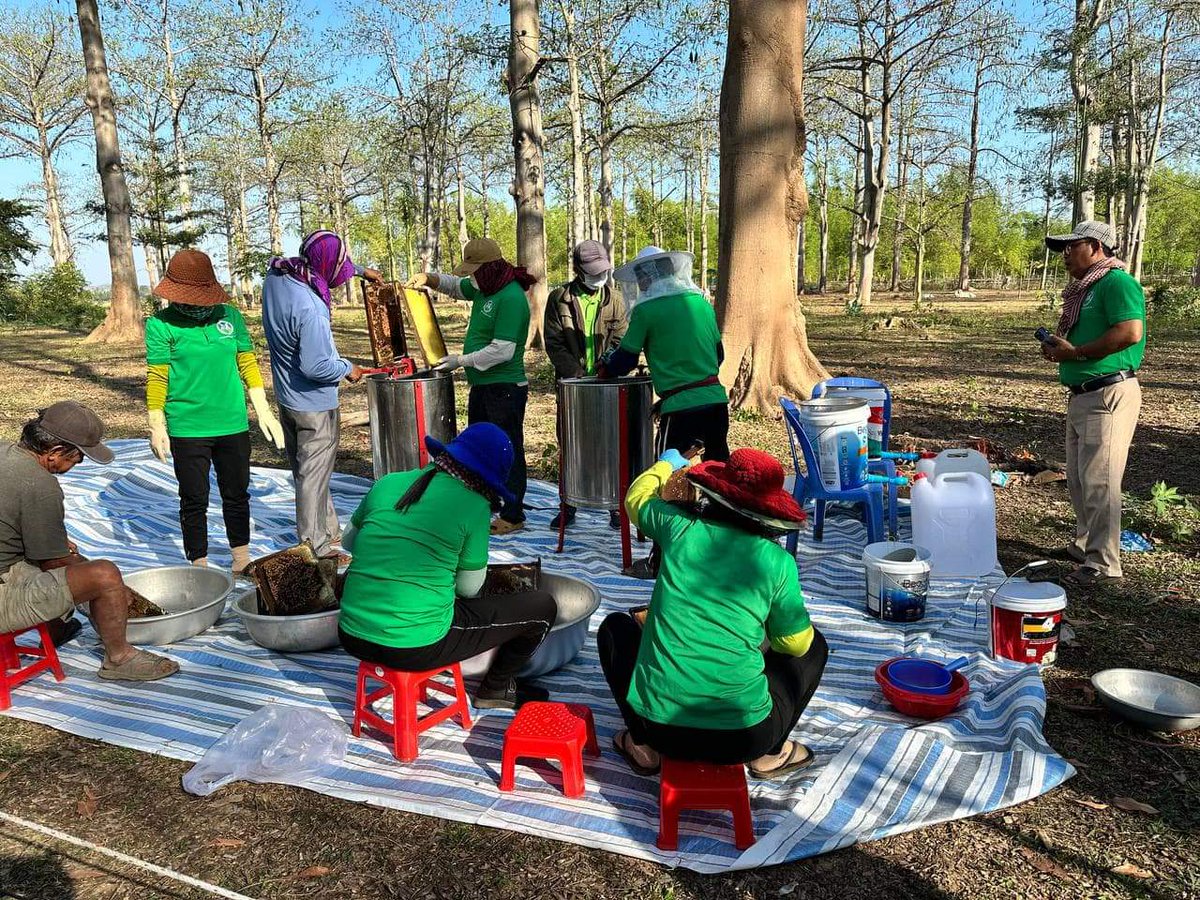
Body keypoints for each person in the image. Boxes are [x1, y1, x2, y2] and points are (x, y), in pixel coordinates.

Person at [598, 447, 827, 779]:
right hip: (745, 739)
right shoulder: (779, 563)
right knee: (815, 646)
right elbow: (794, 644)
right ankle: (770, 755)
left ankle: (643, 748)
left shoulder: (679, 527)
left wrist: (667, 463)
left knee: (615, 628)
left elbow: (636, 497)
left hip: (661, 730)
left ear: (716, 493)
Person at [337, 423, 557, 710]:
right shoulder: (474, 506)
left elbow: (349, 543)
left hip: (351, 636)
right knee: (543, 607)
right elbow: (468, 588)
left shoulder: (387, 483)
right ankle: (497, 688)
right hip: (415, 646)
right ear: (490, 480)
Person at [0, 403, 178, 681]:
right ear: (55, 453)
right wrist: (115, 588)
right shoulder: (40, 486)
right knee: (103, 575)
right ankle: (119, 659)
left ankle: (58, 629)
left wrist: (54, 541)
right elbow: (54, 563)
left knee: (58, 555)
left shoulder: (4, 453)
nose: (79, 464)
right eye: (78, 457)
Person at [145, 249, 285, 573]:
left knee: (236, 493)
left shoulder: (229, 316)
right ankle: (200, 564)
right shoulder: (160, 325)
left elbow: (247, 361)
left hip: (232, 422)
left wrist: (263, 408)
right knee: (194, 498)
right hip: (188, 426)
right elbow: (157, 375)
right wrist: (157, 423)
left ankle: (241, 559)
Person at [599, 246, 730, 577]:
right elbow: (717, 355)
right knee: (720, 478)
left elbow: (624, 361)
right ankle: (724, 551)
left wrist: (604, 368)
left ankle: (660, 562)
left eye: (641, 278)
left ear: (648, 277)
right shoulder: (699, 303)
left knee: (668, 479)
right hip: (715, 403)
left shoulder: (647, 311)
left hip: (681, 411)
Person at [261, 230, 382, 559]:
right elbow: (315, 366)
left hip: (286, 396)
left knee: (311, 470)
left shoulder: (277, 278)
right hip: (313, 404)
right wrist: (347, 368)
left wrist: (361, 271)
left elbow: (325, 262)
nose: (342, 275)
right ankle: (314, 548)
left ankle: (327, 532)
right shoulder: (312, 309)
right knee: (311, 477)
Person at [406, 238, 535, 535]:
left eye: (473, 270)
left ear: (489, 268)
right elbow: (454, 286)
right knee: (479, 449)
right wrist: (429, 278)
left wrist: (461, 360)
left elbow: (502, 350)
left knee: (508, 449)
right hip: (483, 387)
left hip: (504, 389)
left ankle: (513, 515)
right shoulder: (483, 287)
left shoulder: (511, 298)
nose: (470, 277)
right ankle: (484, 502)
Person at [1041, 221, 1145, 588]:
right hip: (1083, 394)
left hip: (1108, 394)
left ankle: (1103, 563)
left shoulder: (1117, 283)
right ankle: (1086, 544)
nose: (1066, 254)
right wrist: (1061, 351)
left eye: (1073, 246)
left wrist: (1079, 353)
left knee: (1100, 480)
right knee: (1080, 478)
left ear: (1097, 246)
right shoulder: (1084, 290)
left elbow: (1130, 332)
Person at [544, 239, 628, 529]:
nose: (598, 276)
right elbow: (554, 342)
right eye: (592, 271)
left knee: (612, 444)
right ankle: (569, 503)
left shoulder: (615, 298)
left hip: (608, 385)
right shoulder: (559, 298)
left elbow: (621, 339)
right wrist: (574, 371)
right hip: (572, 386)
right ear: (578, 270)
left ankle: (616, 504)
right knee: (570, 444)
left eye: (602, 270)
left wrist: (608, 365)